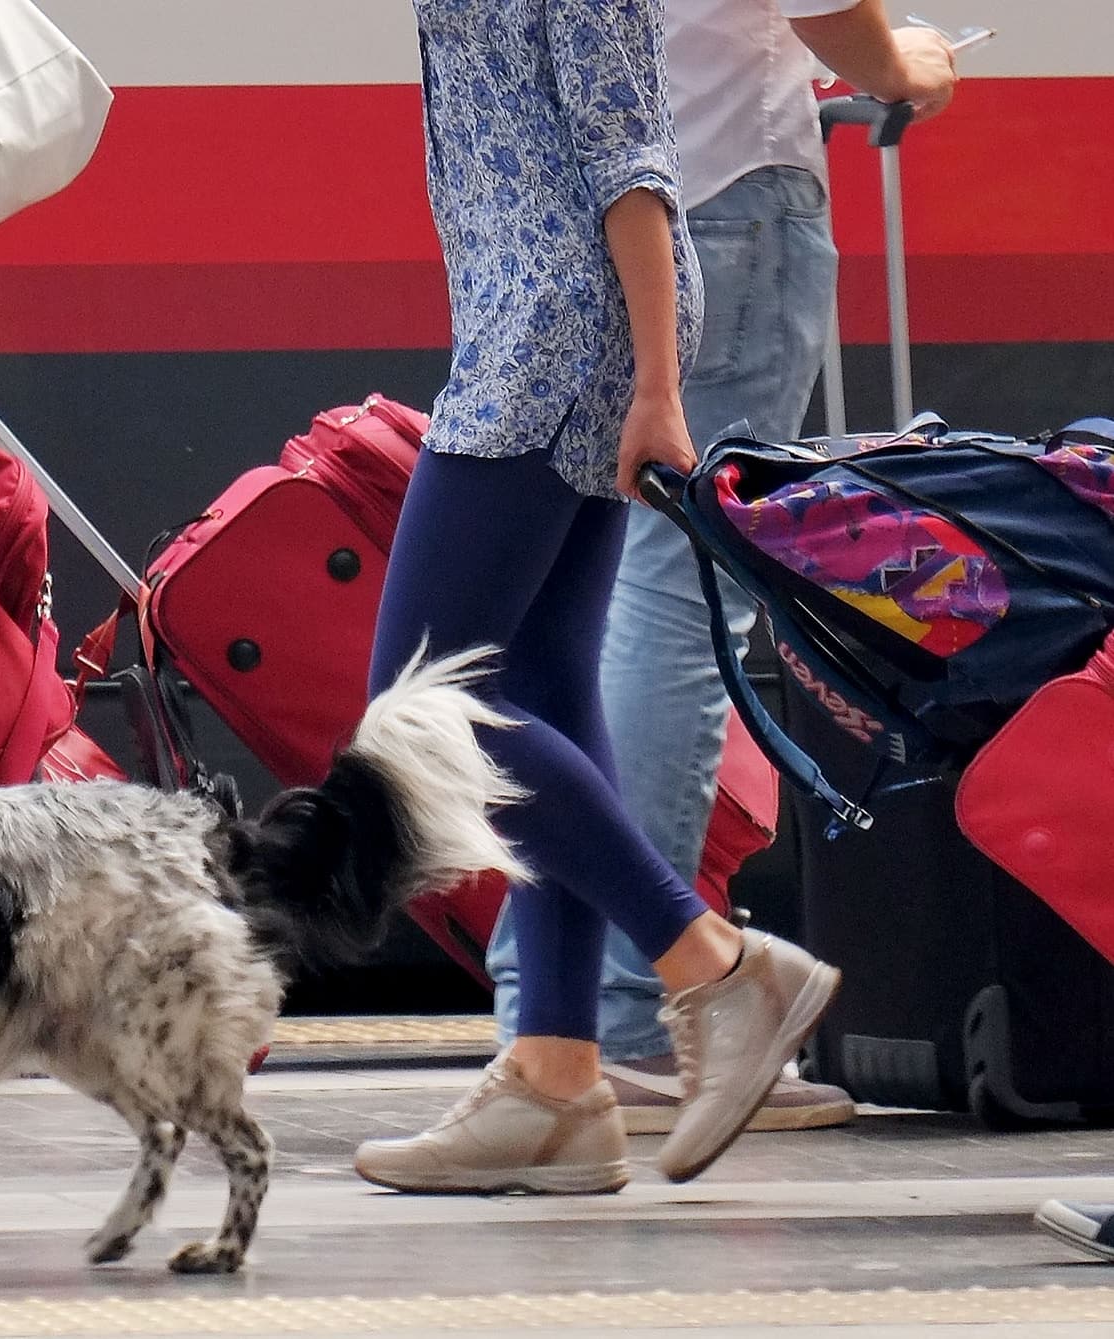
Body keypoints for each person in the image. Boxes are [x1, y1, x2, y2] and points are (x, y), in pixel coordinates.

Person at [352, 0, 843, 1197]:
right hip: (540, 321)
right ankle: (558, 1078)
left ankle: (716, 967)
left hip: (556, 333)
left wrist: (658, 386)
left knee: (413, 715)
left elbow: (628, 152)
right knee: (542, 691)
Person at [473, 0, 961, 1168]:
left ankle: (564, 1017)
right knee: (676, 601)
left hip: (591, 211)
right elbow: (830, 17)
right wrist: (907, 63)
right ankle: (633, 1006)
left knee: (580, 619)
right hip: (727, 192)